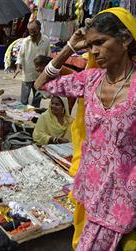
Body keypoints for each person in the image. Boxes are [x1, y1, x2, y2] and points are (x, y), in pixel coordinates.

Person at [34, 8, 136, 250]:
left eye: (100, 42)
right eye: (90, 46)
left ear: (125, 39)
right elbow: (41, 84)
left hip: (123, 198)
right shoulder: (90, 80)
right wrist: (70, 46)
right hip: (92, 191)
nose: (93, 52)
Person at [14, 20, 50, 107]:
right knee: (24, 99)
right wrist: (18, 67)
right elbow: (20, 55)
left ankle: (35, 113)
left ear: (39, 29)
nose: (32, 34)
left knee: (37, 97)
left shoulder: (46, 40)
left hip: (39, 74)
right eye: (30, 32)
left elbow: (48, 56)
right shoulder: (26, 41)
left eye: (34, 31)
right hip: (28, 73)